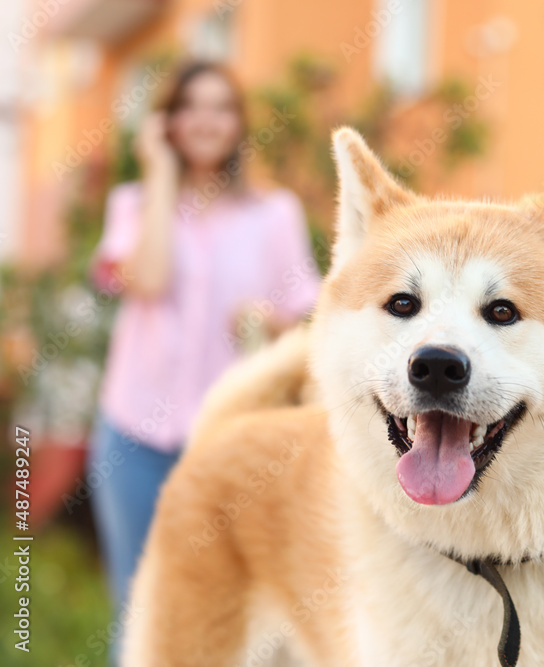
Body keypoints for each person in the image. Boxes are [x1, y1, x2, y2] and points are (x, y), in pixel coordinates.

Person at [87, 61, 321, 652]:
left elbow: (305, 322)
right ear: (168, 120)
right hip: (135, 436)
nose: (206, 120)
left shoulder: (275, 214)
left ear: (239, 123)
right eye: (191, 106)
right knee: (139, 608)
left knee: (233, 615)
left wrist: (269, 320)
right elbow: (148, 277)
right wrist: (160, 173)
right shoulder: (134, 204)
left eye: (221, 107)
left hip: (232, 443)